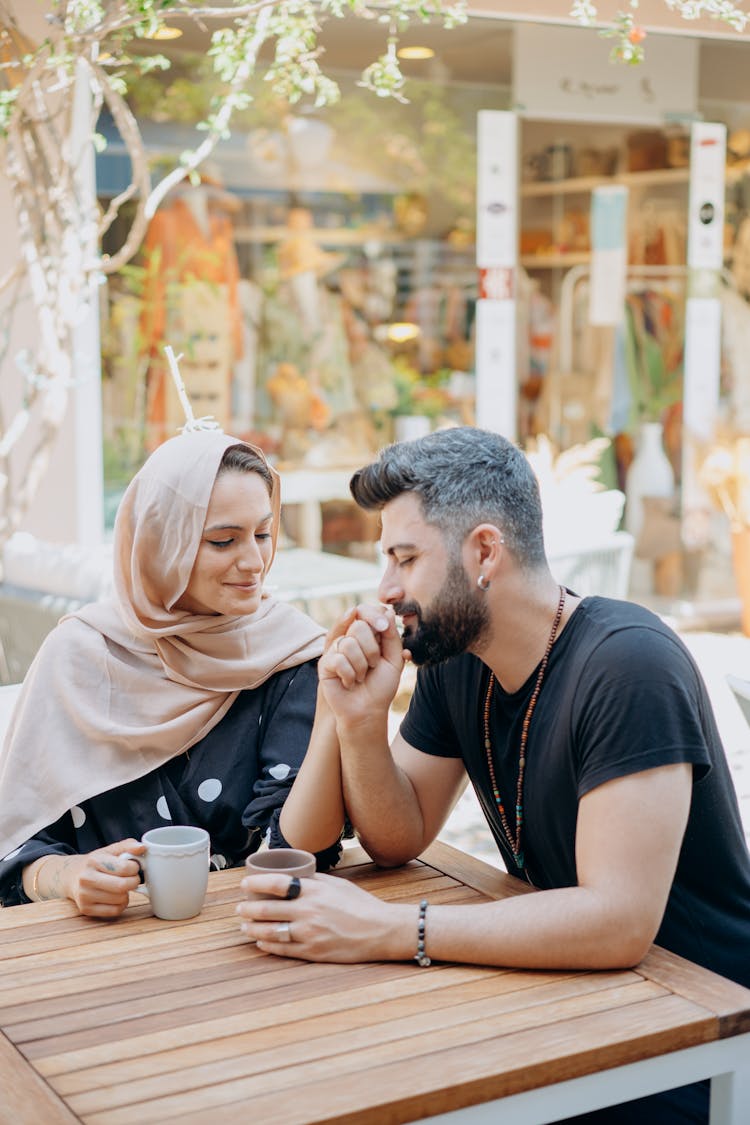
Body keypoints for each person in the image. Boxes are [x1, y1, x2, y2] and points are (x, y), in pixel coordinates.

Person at [239, 426, 750, 1125]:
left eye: (404, 557)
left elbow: (618, 921)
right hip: (575, 1007)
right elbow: (399, 834)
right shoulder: (458, 660)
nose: (385, 589)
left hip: (697, 1043)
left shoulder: (631, 665)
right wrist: (358, 720)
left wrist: (390, 930)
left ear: (484, 551)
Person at [0, 428, 338, 915]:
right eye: (223, 540)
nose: (254, 562)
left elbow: (297, 847)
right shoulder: (78, 656)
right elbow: (18, 848)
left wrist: (343, 718)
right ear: (160, 544)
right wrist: (71, 877)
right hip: (92, 956)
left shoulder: (291, 655)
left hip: (251, 937)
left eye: (263, 534)